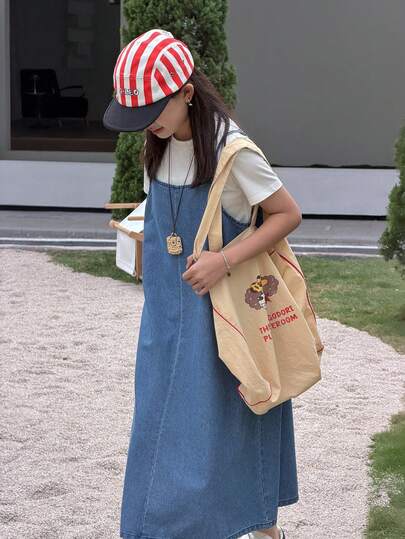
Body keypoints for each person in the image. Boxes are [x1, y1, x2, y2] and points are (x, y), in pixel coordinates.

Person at [103, 28, 302, 539]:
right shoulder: (158, 144)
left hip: (223, 316)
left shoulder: (233, 150)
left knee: (229, 420)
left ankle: (260, 527)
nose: (146, 124)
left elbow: (287, 214)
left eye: (153, 111)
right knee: (161, 425)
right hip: (165, 316)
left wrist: (224, 259)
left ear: (187, 93)